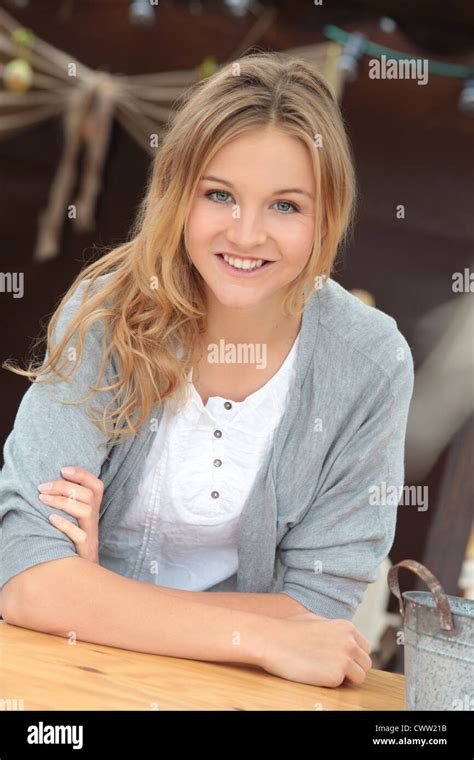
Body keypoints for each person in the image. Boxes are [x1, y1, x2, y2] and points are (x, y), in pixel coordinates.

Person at [0, 51, 414, 688]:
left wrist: (89, 594)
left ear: (327, 214)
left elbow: (319, 611)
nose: (247, 234)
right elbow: (25, 576)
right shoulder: (109, 310)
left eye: (285, 206)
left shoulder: (368, 365)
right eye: (219, 195)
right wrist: (256, 632)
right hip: (67, 676)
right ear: (177, 194)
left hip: (238, 694)